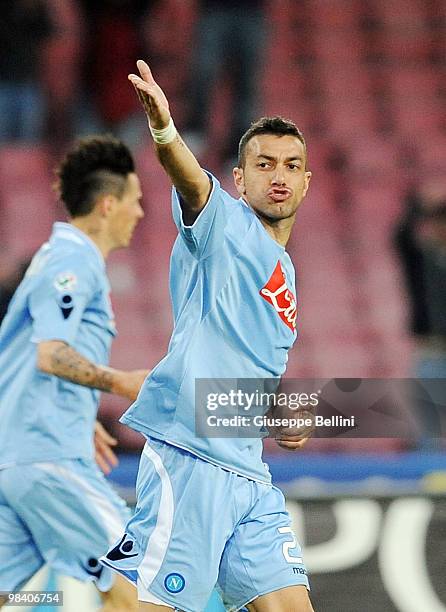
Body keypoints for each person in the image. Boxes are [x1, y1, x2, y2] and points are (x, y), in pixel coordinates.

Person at [101, 60, 314, 612]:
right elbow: (191, 180)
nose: (279, 175)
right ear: (239, 180)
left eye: (292, 165)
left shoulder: (284, 271)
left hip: (249, 473)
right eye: (264, 164)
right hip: (191, 459)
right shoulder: (225, 225)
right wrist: (165, 131)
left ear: (307, 182)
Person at [0, 135, 148, 611]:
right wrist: (122, 382)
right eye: (135, 201)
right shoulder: (74, 259)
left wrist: (79, 418)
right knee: (139, 584)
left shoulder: (53, 258)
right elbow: (51, 355)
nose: (140, 213)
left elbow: (26, 359)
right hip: (50, 461)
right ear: (108, 205)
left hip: (19, 459)